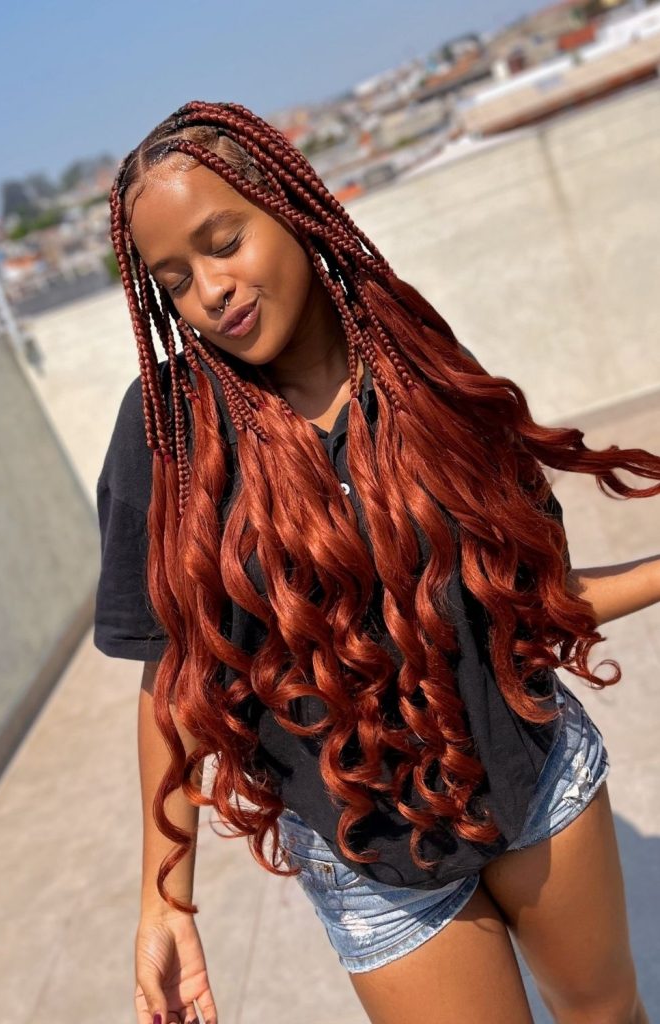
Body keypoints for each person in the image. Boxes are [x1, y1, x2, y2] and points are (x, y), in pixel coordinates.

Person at [95, 100, 660, 1024]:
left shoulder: (415, 364)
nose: (210, 290)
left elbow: (529, 600)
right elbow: (171, 674)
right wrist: (166, 899)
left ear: (289, 209)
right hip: (369, 858)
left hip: (534, 778)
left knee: (609, 1013)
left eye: (225, 242)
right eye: (175, 279)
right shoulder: (169, 433)